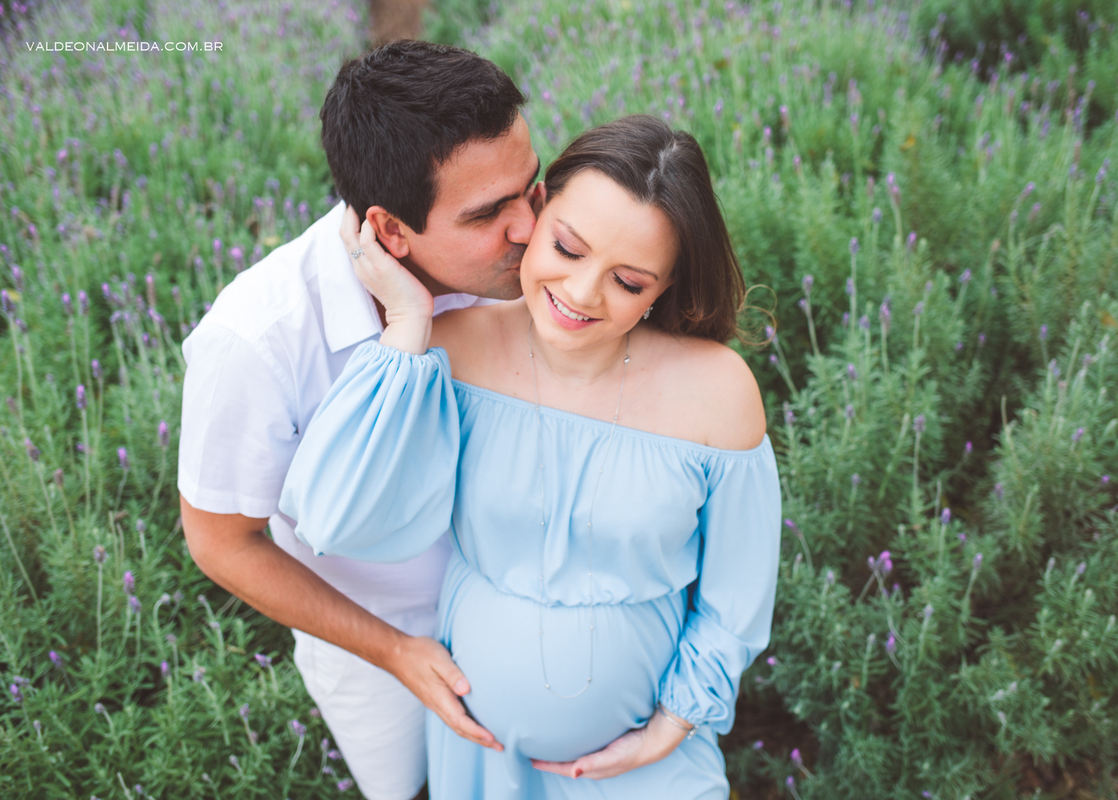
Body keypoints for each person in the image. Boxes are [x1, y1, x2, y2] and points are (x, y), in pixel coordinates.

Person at [279, 115, 782, 798]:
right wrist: (406, 324)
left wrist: (680, 719)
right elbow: (338, 517)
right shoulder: (455, 350)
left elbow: (738, 591)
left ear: (663, 288)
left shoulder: (718, 392)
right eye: (568, 248)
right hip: (480, 756)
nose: (580, 294)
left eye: (628, 283)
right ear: (537, 209)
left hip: (646, 762)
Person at [177, 40, 539, 800]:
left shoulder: (525, 266)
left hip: (527, 599)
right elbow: (221, 542)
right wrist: (395, 652)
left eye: (530, 190)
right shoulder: (256, 339)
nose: (531, 230)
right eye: (488, 214)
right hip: (376, 639)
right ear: (391, 229)